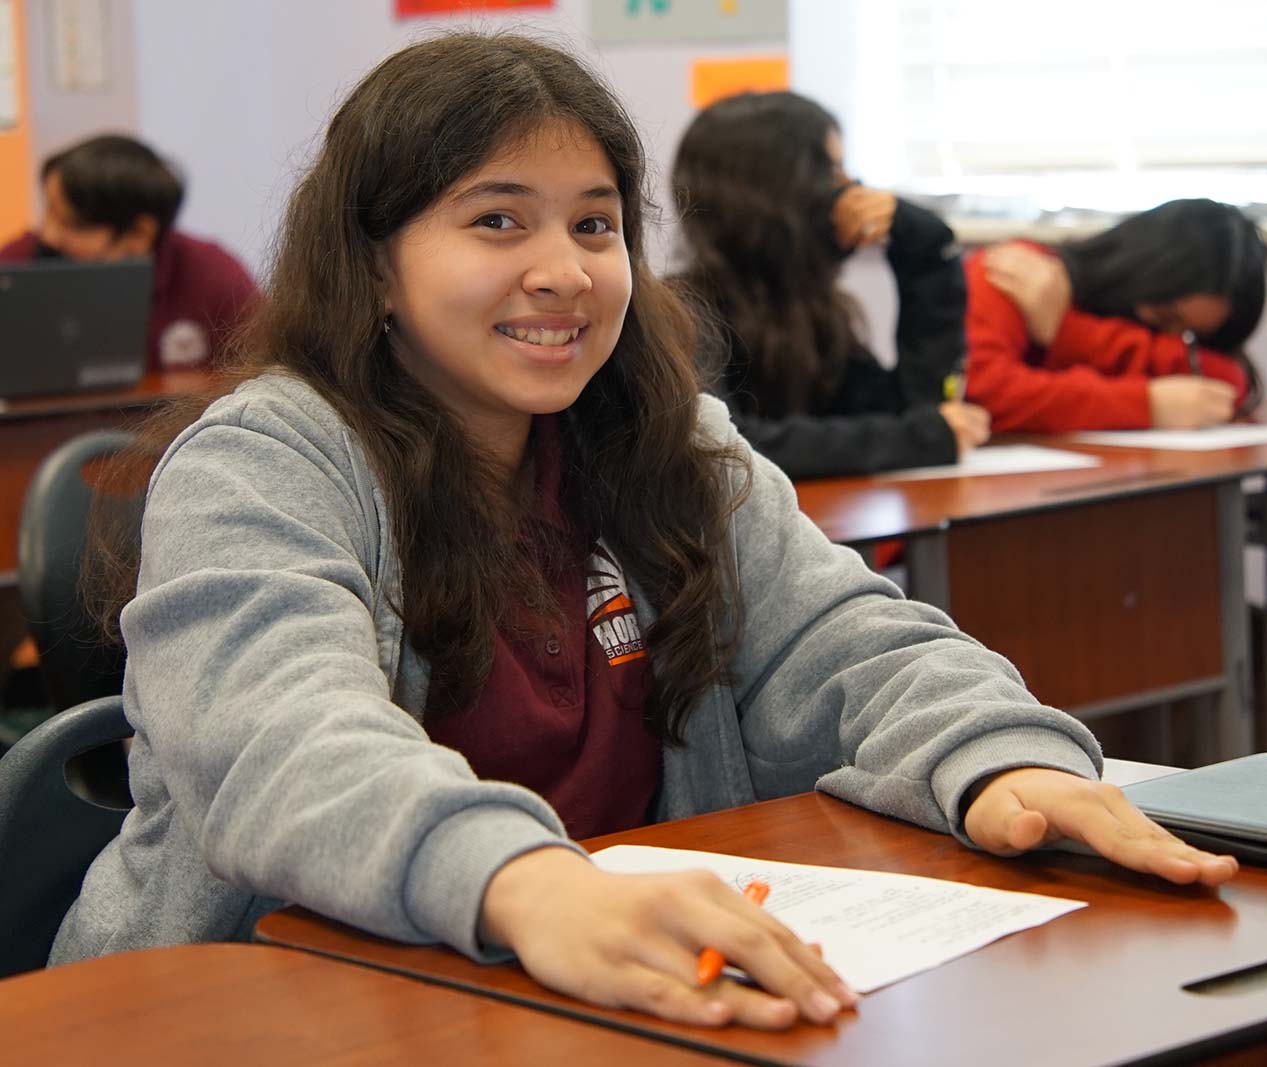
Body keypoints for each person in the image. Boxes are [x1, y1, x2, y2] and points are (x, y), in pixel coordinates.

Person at [53, 34, 1236, 1032]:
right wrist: (527, 882)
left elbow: (855, 642)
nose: (562, 272)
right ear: (374, 267)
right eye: (497, 221)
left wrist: (1000, 759)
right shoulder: (267, 460)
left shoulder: (669, 443)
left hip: (599, 995)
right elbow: (285, 745)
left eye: (595, 225)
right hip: (269, 1006)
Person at [671, 91, 990, 479]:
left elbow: (912, 408)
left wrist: (924, 248)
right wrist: (919, 439)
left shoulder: (809, 312)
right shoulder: (681, 313)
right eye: (832, 173)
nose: (852, 191)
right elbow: (727, 448)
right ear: (776, 191)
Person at [964, 199, 1266, 432]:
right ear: (1133, 267)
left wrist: (1070, 334)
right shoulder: (1014, 273)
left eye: (1189, 336)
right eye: (1163, 317)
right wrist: (1147, 405)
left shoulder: (1068, 321)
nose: (1169, 344)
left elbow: (1228, 381)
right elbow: (983, 393)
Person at [0, 134, 258, 371]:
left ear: (139, 233)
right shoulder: (17, 264)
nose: (49, 234)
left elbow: (263, 370)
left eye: (72, 224)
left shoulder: (213, 276)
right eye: (48, 212)